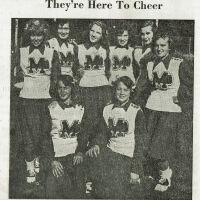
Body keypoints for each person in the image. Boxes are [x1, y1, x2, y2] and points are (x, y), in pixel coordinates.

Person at [142, 30, 190, 193]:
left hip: (169, 110)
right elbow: (146, 87)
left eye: (163, 45)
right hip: (152, 108)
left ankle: (166, 176)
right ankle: (154, 173)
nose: (159, 48)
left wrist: (181, 97)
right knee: (147, 145)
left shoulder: (178, 63)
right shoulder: (149, 63)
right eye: (156, 45)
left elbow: (191, 84)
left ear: (169, 47)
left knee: (160, 147)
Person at [86, 76, 148, 199]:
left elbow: (141, 142)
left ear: (131, 91)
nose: (122, 93)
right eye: (119, 89)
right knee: (102, 191)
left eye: (125, 90)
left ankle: (141, 179)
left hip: (126, 156)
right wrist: (97, 144)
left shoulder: (136, 111)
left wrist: (135, 169)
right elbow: (102, 133)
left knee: (116, 192)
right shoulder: (107, 109)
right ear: (114, 90)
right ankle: (92, 180)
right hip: (110, 153)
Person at [16, 19, 58, 184]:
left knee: (43, 132)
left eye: (39, 34)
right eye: (33, 34)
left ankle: (38, 158)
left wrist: (53, 94)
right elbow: (11, 70)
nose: (36, 38)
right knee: (28, 133)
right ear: (29, 35)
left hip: (45, 98)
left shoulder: (51, 51)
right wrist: (17, 82)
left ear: (44, 35)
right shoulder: (22, 51)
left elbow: (55, 75)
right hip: (27, 98)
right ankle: (29, 164)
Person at [44, 75, 86, 199]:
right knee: (51, 191)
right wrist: (52, 160)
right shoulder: (51, 108)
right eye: (60, 88)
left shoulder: (80, 108)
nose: (62, 91)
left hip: (74, 157)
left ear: (72, 89)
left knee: (77, 191)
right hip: (57, 157)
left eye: (66, 88)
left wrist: (80, 152)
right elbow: (44, 137)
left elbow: (84, 134)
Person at [77, 20, 111, 122]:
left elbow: (108, 69)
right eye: (92, 31)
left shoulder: (105, 49)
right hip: (85, 87)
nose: (94, 34)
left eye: (98, 32)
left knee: (101, 118)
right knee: (86, 117)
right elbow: (75, 67)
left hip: (101, 88)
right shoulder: (79, 48)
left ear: (102, 35)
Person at [133, 20, 157, 107]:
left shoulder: (156, 50)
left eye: (148, 33)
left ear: (153, 34)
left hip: (150, 87)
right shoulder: (138, 49)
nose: (145, 36)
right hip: (139, 86)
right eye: (142, 34)